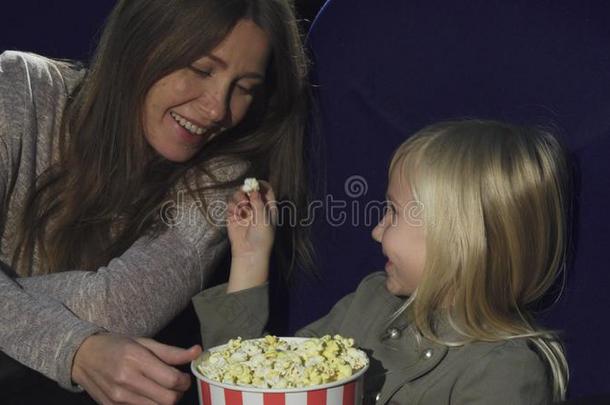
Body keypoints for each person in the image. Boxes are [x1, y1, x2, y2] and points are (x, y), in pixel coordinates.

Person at [0, 0, 312, 403]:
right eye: (202, 69)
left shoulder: (224, 179)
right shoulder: (17, 89)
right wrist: (75, 348)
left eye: (245, 88)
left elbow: (117, 311)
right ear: (141, 42)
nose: (218, 108)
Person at [193, 120, 571, 404]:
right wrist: (249, 255)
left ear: (458, 241)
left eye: (392, 212)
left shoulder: (504, 372)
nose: (376, 231)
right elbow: (252, 381)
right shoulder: (370, 303)